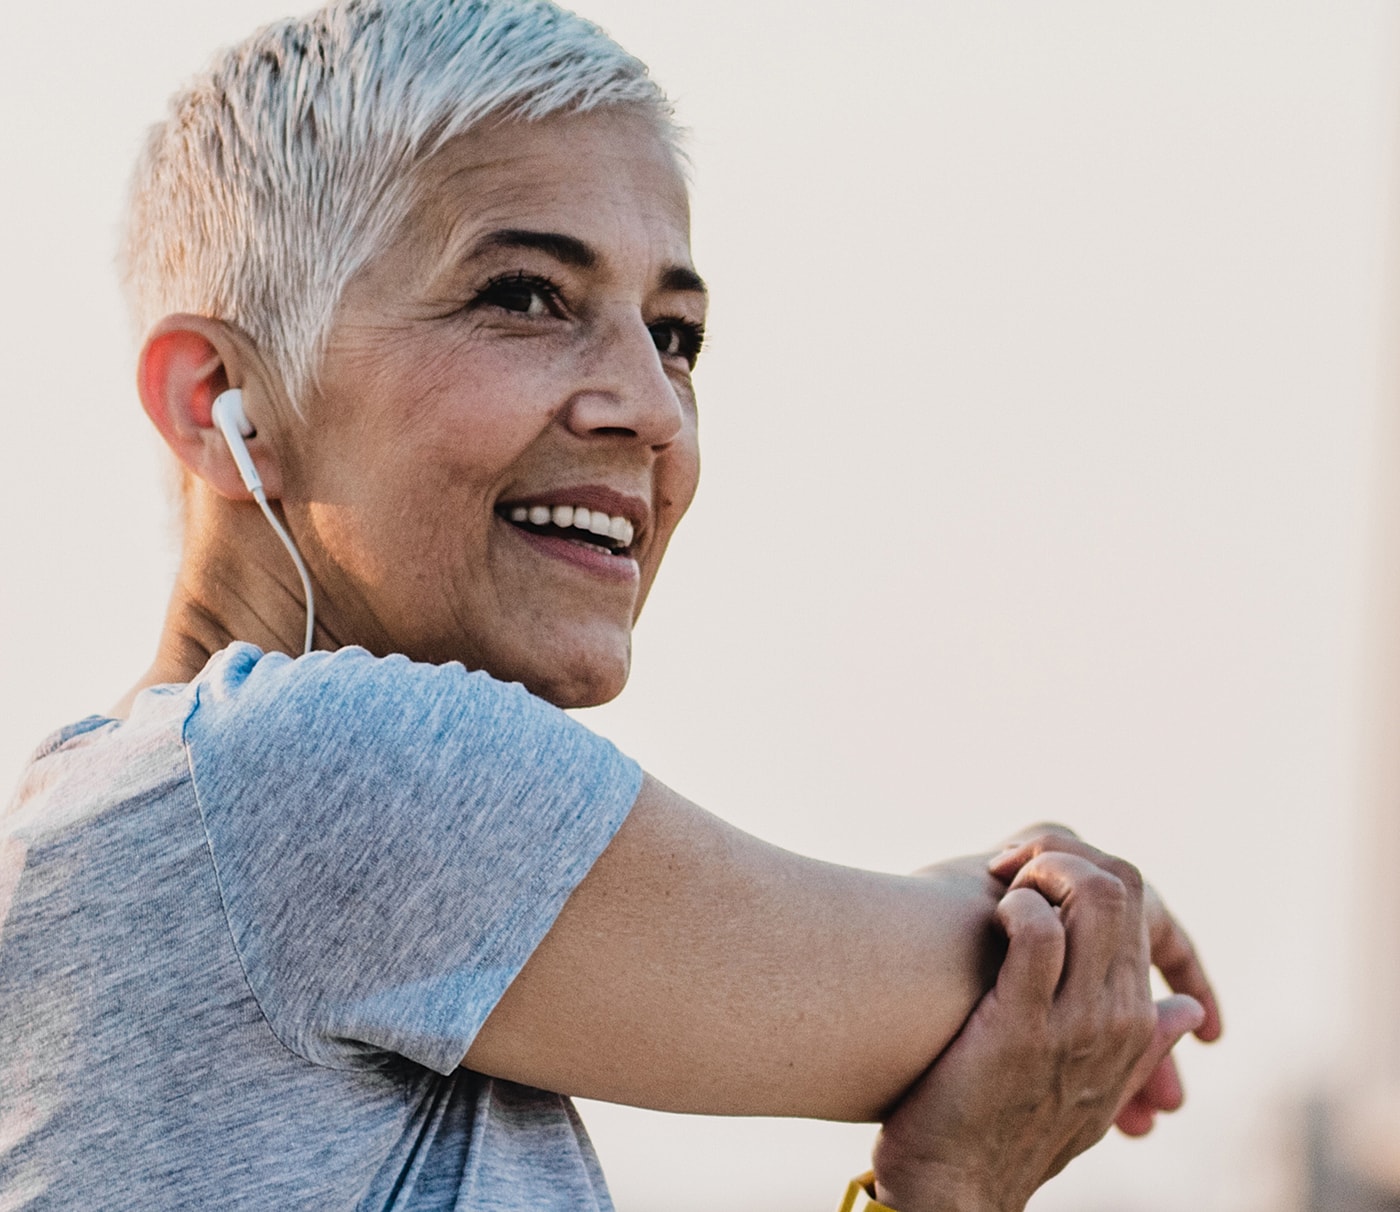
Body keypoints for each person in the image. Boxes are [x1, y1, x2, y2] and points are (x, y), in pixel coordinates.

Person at [0, 1, 1220, 1209]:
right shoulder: (312, 772)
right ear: (220, 398)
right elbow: (994, 990)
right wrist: (1073, 924)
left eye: (676, 335)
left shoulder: (147, 826)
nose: (650, 407)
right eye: (524, 295)